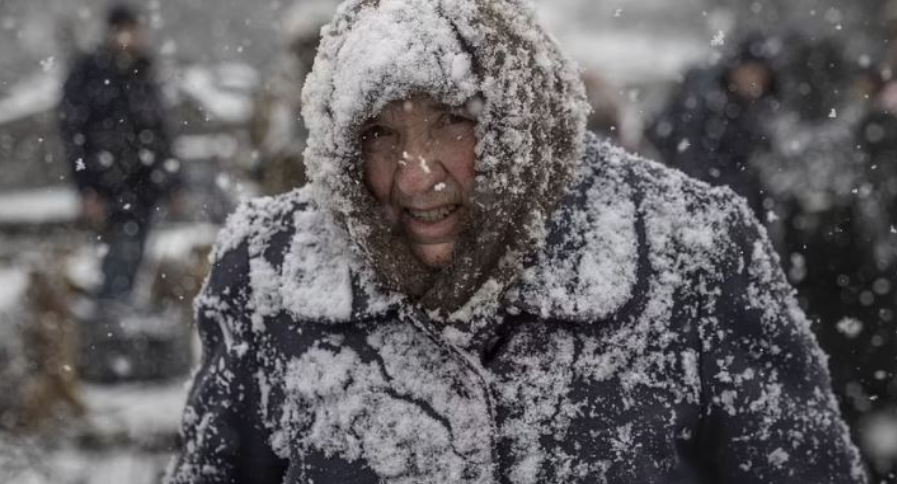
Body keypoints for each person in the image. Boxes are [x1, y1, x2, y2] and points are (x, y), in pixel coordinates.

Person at [166, 1, 865, 482]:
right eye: (380, 134)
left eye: (451, 123)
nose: (417, 174)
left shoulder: (691, 249)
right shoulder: (267, 272)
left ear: (517, 115)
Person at [58, 4, 180, 379]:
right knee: (116, 258)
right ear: (111, 32)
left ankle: (120, 341)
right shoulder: (89, 73)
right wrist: (87, 189)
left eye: (135, 29)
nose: (130, 38)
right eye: (123, 30)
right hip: (107, 185)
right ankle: (106, 348)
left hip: (144, 185)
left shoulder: (147, 71)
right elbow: (74, 132)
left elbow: (162, 131)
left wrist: (173, 182)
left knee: (136, 255)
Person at [646, 34, 779, 218]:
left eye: (760, 73)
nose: (754, 80)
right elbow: (693, 167)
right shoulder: (705, 109)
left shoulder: (758, 110)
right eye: (749, 71)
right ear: (733, 72)